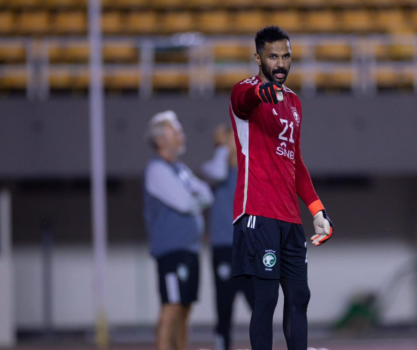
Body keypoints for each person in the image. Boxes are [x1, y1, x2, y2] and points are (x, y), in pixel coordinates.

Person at [228, 26, 335, 350]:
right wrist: (261, 93)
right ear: (258, 57)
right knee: (266, 298)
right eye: (273, 56)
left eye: (286, 56)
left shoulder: (294, 103)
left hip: (289, 218)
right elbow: (243, 101)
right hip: (257, 212)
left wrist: (317, 210)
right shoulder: (244, 91)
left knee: (300, 296)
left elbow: (296, 164)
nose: (280, 63)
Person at [143, 110, 214, 350]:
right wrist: (194, 200)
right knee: (171, 306)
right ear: (160, 139)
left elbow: (206, 194)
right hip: (171, 250)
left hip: (189, 249)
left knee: (184, 308)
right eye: (175, 131)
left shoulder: (180, 169)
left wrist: (194, 198)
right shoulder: (157, 170)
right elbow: (186, 203)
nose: (181, 135)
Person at [201, 124, 256, 350]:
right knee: (224, 304)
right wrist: (223, 148)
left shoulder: (251, 171)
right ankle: (223, 345)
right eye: (228, 139)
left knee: (257, 302)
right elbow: (218, 171)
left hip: (249, 247)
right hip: (224, 247)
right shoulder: (213, 171)